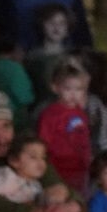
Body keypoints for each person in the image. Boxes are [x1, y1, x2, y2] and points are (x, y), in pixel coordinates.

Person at [36, 59, 94, 194]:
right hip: (58, 170)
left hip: (80, 169)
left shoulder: (80, 112)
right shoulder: (50, 114)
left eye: (78, 89)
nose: (73, 94)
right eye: (68, 88)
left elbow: (84, 138)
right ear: (55, 87)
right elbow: (42, 142)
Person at [23, 3, 74, 107]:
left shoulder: (73, 56)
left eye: (62, 23)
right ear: (41, 25)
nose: (56, 27)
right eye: (51, 22)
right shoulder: (33, 58)